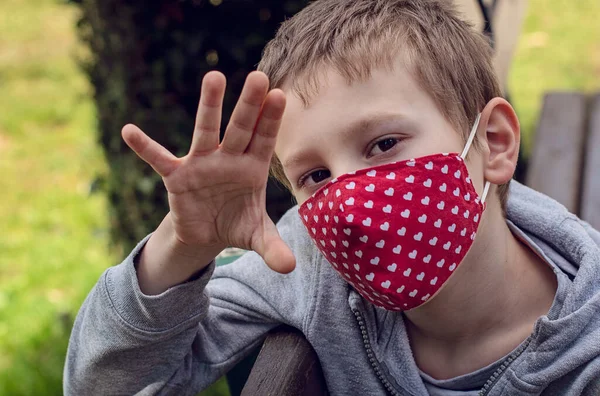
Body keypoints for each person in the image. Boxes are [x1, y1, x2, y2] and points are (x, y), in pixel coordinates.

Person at [63, 0, 600, 395]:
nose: (350, 199)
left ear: (494, 143)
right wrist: (182, 245)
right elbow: (101, 385)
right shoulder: (308, 266)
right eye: (315, 176)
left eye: (384, 144)